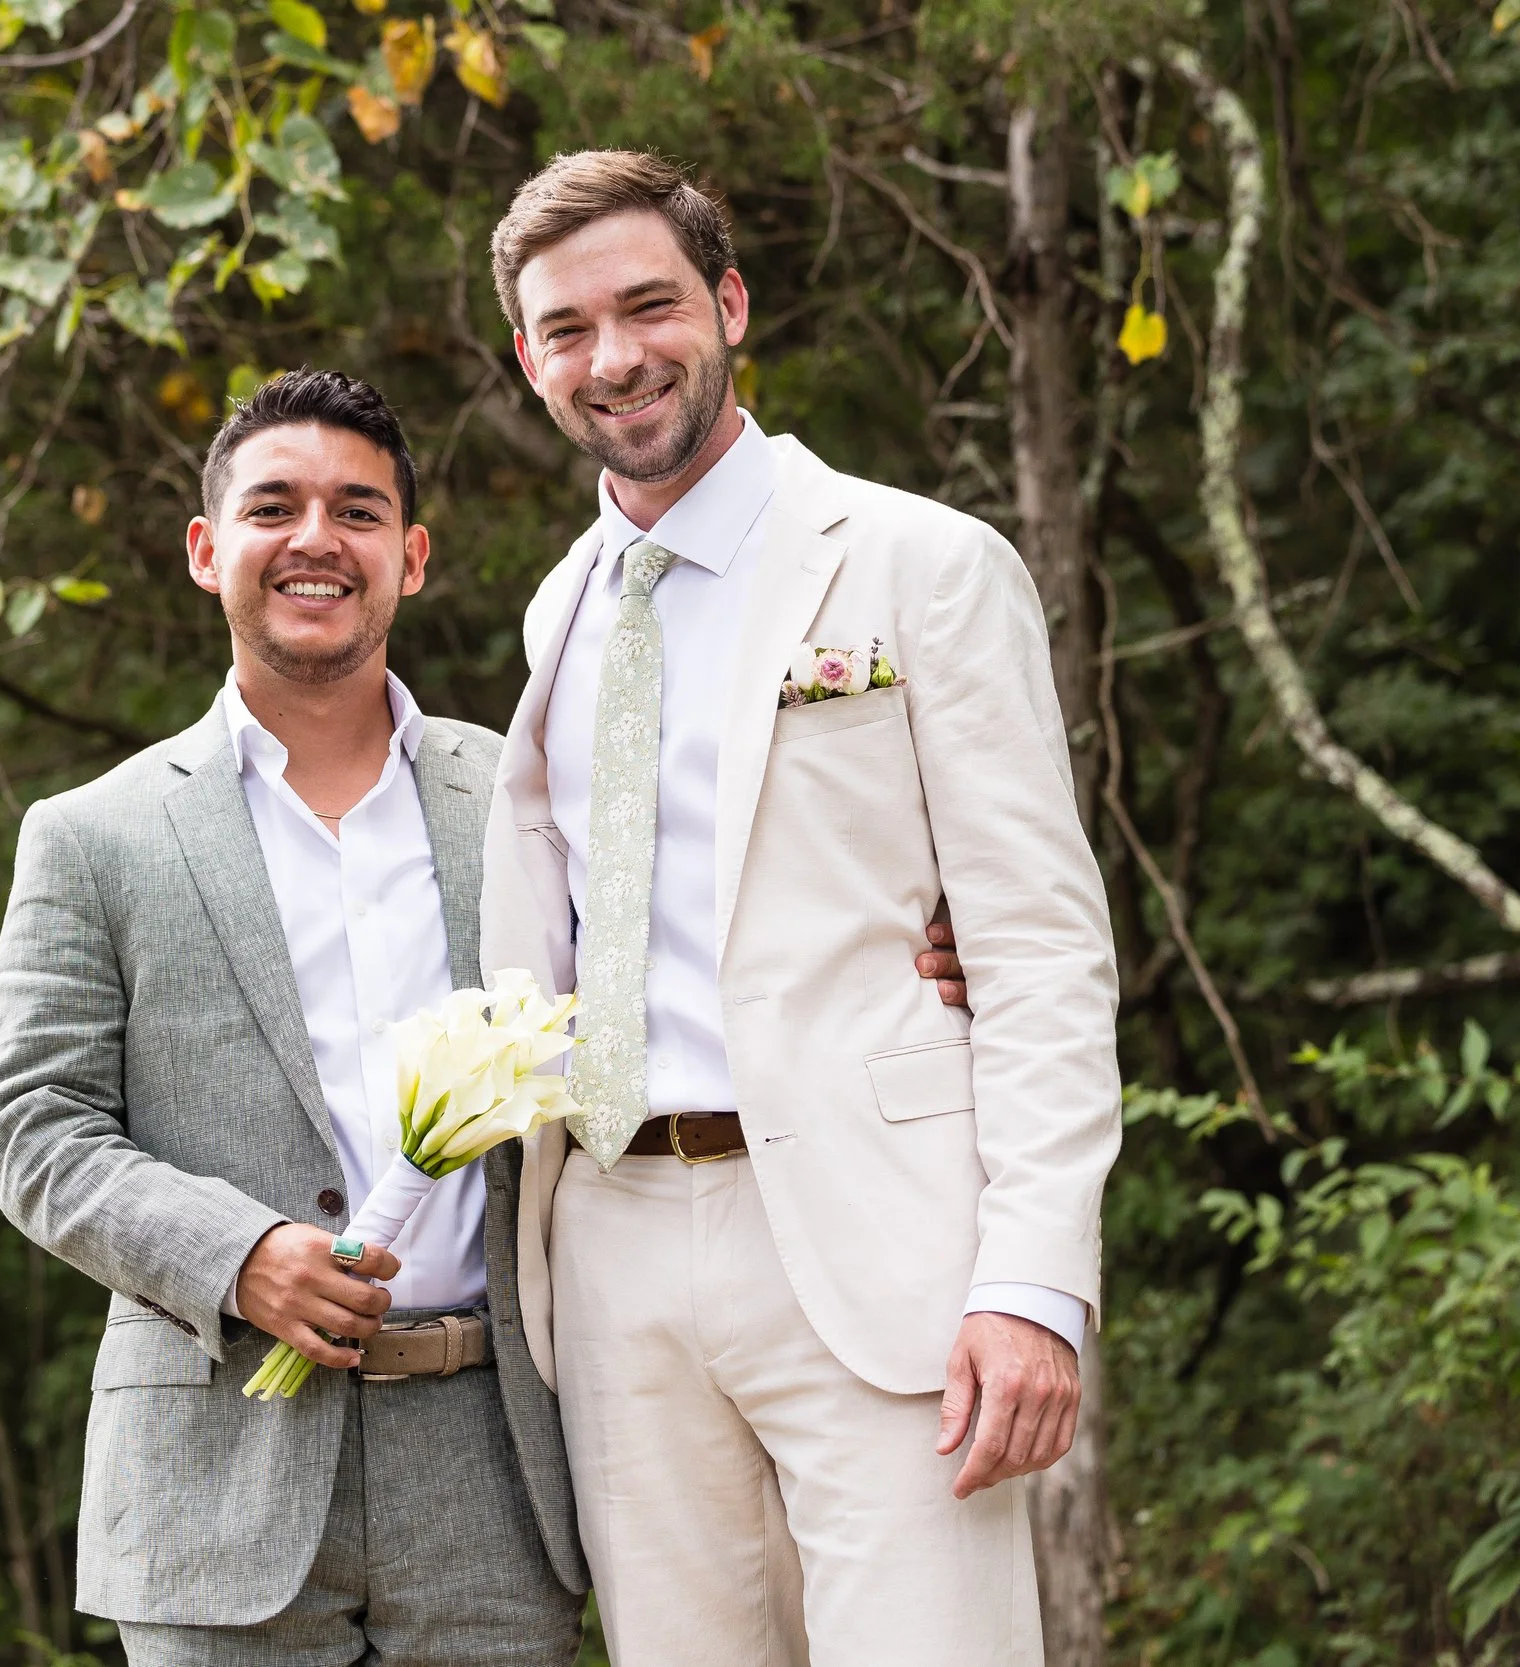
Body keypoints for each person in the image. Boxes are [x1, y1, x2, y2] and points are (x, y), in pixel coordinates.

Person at [478, 151, 1123, 1665]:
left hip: (873, 1234)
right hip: (616, 1243)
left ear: (731, 304)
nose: (616, 355)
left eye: (650, 306)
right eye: (568, 328)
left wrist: (1033, 1279)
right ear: (530, 358)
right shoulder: (561, 610)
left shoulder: (921, 565)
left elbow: (1035, 942)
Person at [0, 369, 586, 1666]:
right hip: (213, 1471)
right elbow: (32, 1128)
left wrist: (922, 955)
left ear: (410, 557)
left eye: (358, 510)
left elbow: (680, 983)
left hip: (499, 1467)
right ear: (209, 550)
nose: (317, 537)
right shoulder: (94, 836)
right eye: (275, 506)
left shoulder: (534, 795)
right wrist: (237, 1250)